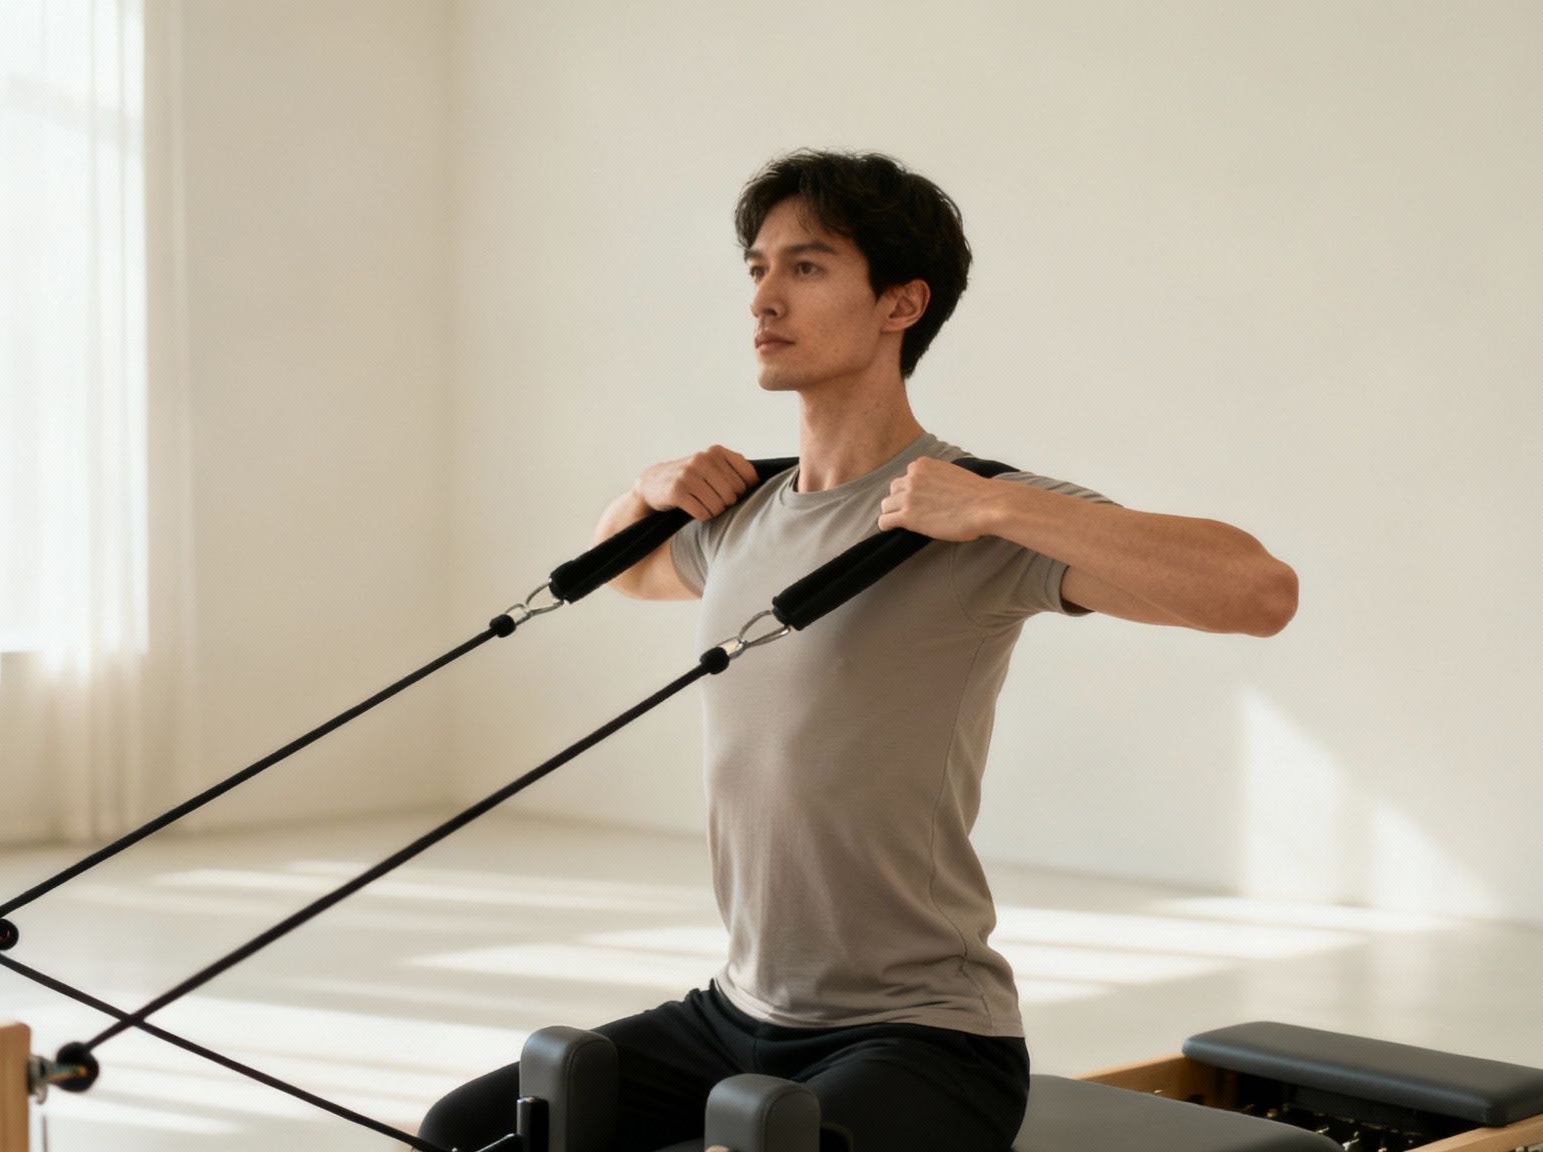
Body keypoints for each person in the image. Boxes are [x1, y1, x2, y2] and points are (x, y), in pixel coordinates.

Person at [420, 149, 1298, 1152]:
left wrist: (999, 504)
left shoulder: (971, 515)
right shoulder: (744, 512)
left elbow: (1257, 593)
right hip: (732, 1016)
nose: (764, 297)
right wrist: (645, 489)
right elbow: (624, 570)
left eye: (806, 267)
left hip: (923, 1038)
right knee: (458, 1132)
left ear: (900, 303)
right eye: (757, 268)